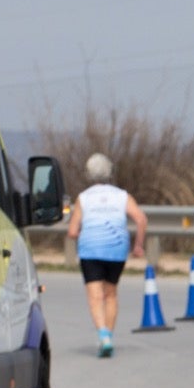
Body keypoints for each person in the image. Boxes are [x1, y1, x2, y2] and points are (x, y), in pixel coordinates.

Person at [66, 152, 146, 358]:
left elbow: (72, 232)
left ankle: (103, 336)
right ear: (110, 171)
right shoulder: (122, 195)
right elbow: (140, 219)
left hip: (91, 249)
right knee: (111, 293)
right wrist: (138, 246)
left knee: (95, 296)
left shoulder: (84, 198)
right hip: (117, 249)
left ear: (88, 174)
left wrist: (84, 233)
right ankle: (108, 335)